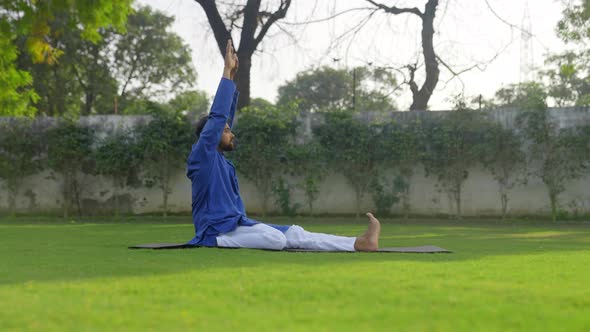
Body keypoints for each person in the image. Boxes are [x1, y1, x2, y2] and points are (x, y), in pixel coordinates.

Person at [186, 39, 380, 251]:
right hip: (215, 232)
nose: (231, 133)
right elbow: (218, 117)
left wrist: (232, 75)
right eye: (225, 131)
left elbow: (225, 116)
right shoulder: (202, 157)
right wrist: (225, 70)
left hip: (239, 225)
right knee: (276, 240)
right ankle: (212, 244)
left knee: (294, 233)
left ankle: (359, 243)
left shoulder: (222, 163)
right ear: (209, 135)